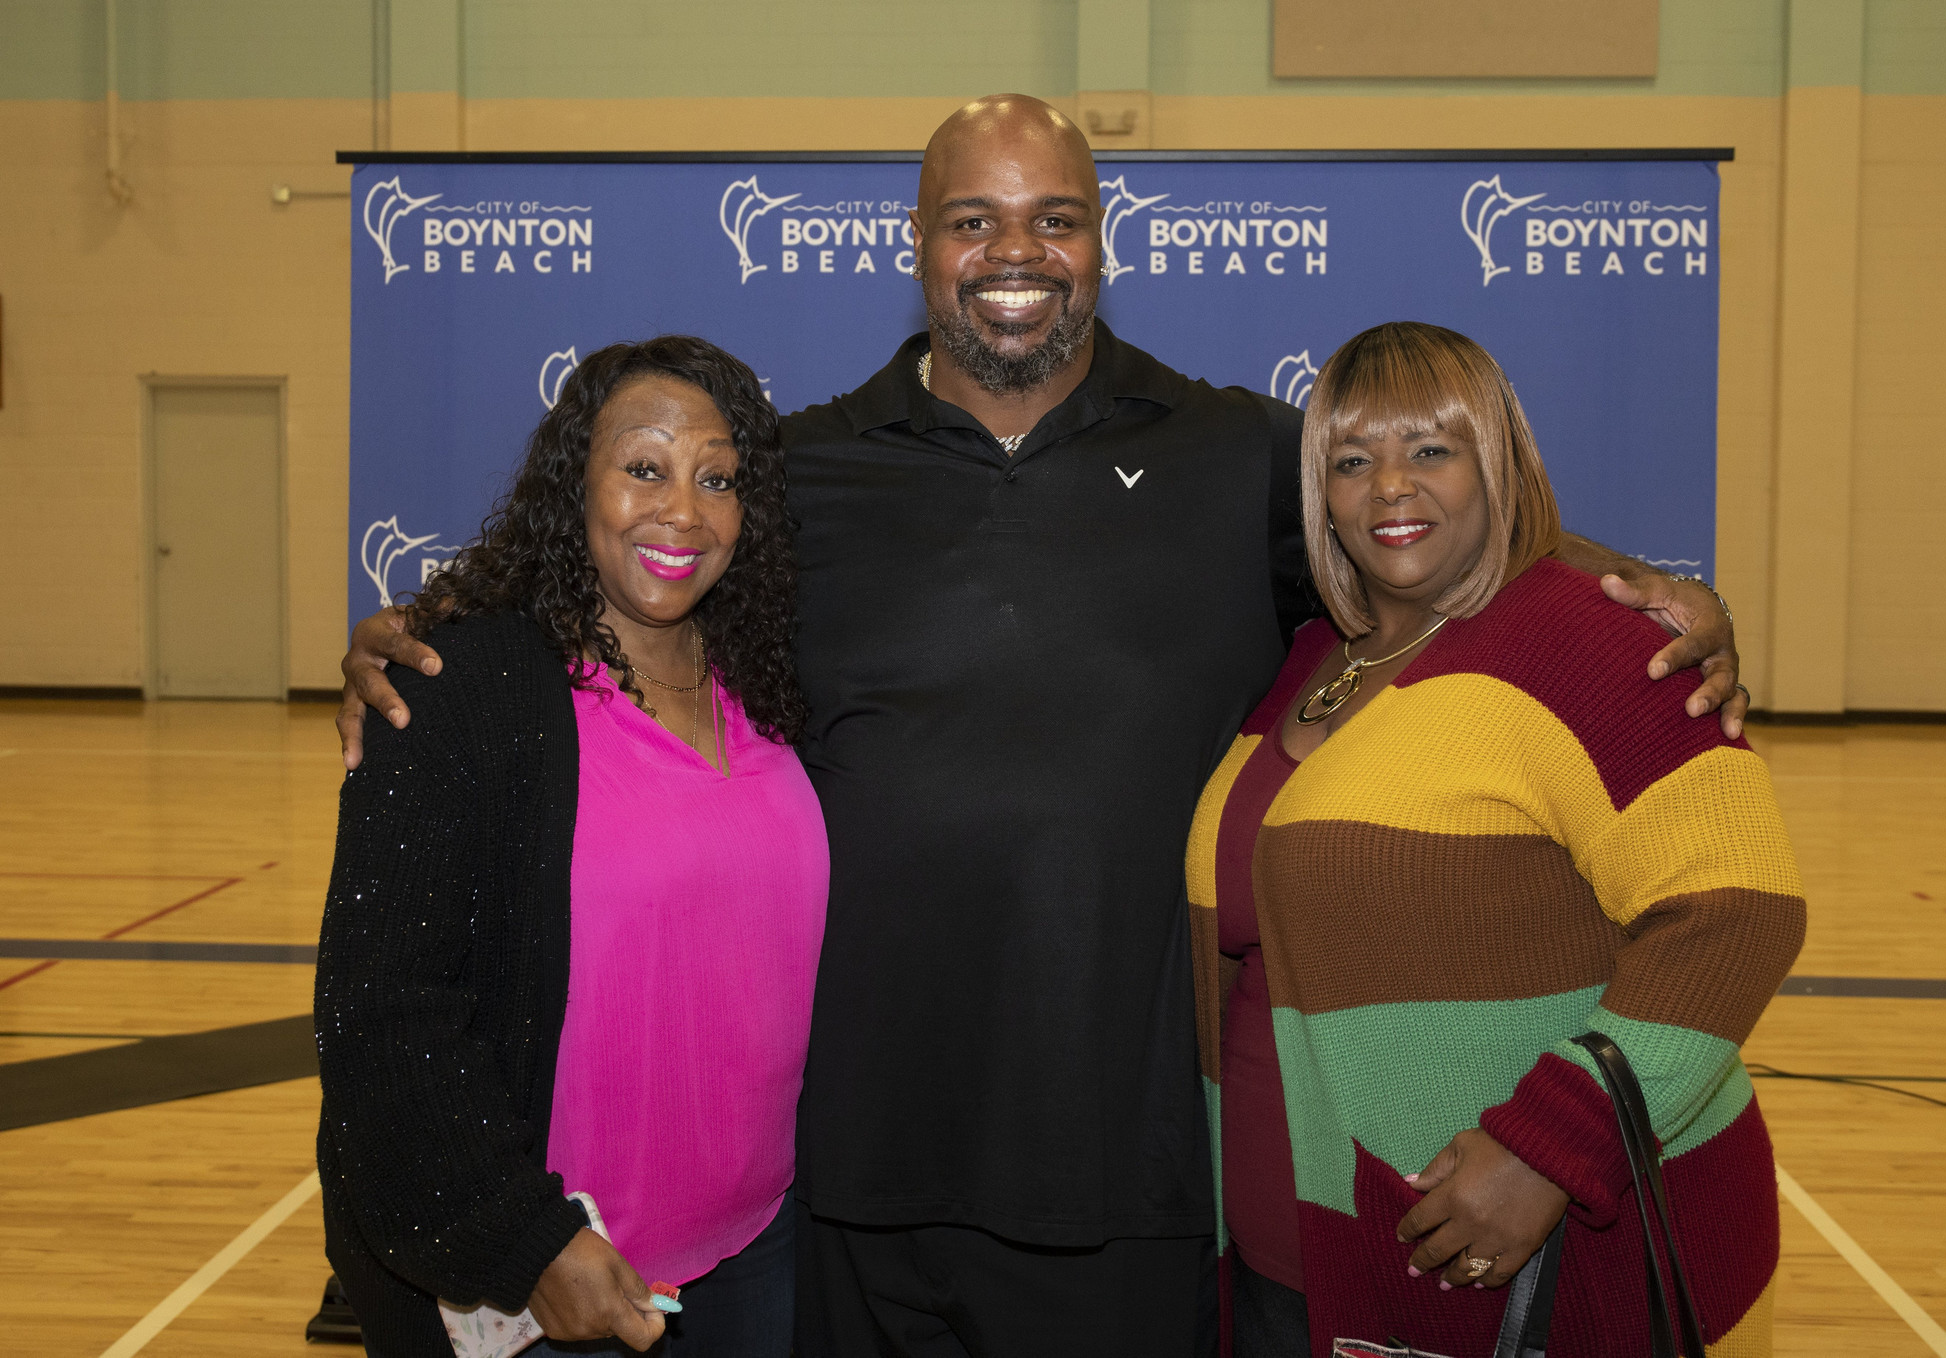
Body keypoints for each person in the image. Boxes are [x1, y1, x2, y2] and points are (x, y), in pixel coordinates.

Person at [336, 98, 1749, 1356]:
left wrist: (1632, 587)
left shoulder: (1233, 453)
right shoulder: (805, 468)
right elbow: (631, 561)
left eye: (1055, 218)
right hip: (848, 1182)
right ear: (919, 244)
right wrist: (433, 634)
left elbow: (1428, 537)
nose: (1017, 252)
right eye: (975, 219)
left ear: (1100, 239)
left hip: (1123, 1185)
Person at [1185, 321, 1801, 1357]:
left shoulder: (1595, 641)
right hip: (1290, 1273)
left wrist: (1550, 1150)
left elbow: (1736, 909)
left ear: (1497, 462)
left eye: (1431, 448)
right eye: (1351, 458)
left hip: (1518, 1277)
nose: (1389, 485)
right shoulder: (1304, 660)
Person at [316, 336, 825, 1358]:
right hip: (562, 1283)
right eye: (643, 466)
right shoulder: (465, 686)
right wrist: (526, 1240)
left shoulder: (766, 684)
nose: (681, 509)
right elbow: (382, 1010)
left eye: (716, 478)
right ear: (573, 486)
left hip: (758, 1248)